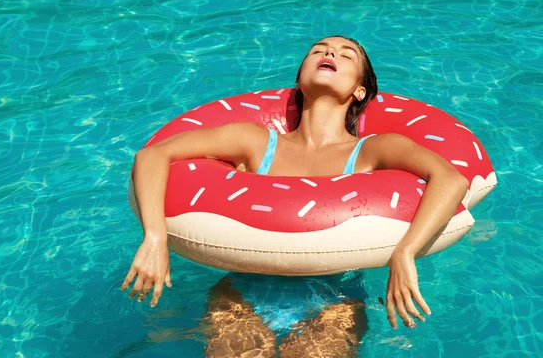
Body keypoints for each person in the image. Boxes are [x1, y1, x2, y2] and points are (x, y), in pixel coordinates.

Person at [122, 35, 469, 354]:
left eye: (346, 54)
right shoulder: (255, 142)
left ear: (359, 92)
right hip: (241, 291)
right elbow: (152, 155)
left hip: (337, 297)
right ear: (300, 77)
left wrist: (405, 253)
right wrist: (154, 237)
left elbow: (451, 179)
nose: (330, 52)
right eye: (318, 50)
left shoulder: (373, 150)